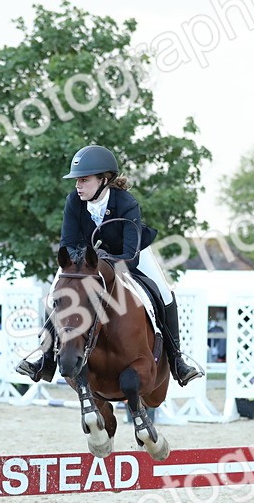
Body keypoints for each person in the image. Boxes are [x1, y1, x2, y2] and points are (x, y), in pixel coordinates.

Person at [15, 145, 204, 386]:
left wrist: (103, 262)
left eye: (84, 180)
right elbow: (68, 242)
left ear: (104, 180)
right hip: (87, 258)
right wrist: (83, 262)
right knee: (56, 292)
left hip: (129, 254)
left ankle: (177, 360)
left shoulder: (127, 203)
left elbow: (131, 255)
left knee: (165, 293)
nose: (77, 186)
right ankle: (46, 359)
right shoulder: (73, 201)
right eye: (76, 181)